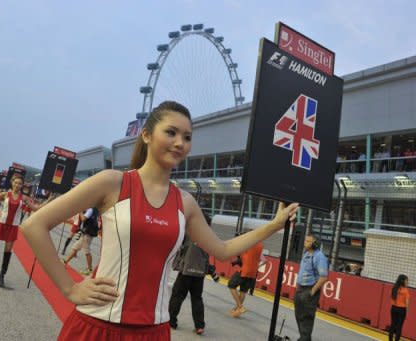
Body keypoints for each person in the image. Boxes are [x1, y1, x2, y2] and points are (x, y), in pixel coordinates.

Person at [20, 101, 299, 340]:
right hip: (99, 325)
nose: (180, 143)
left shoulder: (185, 203)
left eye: (187, 137)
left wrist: (274, 225)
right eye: (171, 132)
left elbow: (223, 250)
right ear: (146, 135)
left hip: (154, 330)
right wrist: (69, 288)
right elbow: (34, 226)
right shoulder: (112, 183)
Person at [0, 175, 43, 288]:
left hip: (13, 226)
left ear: (22, 186)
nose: (17, 185)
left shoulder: (24, 198)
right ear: (12, 183)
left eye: (20, 184)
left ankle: (2, 276)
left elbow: (35, 208)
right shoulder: (5, 194)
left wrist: (50, 201)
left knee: (8, 252)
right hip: (0, 223)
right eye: (16, 183)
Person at [168, 212, 212, 335]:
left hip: (186, 271)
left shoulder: (189, 232)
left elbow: (178, 245)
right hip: (200, 273)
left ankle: (171, 321)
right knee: (197, 299)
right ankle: (199, 326)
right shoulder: (209, 236)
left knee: (177, 296)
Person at [294, 234, 328, 341]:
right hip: (300, 290)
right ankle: (304, 338)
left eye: (308, 241)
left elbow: (323, 277)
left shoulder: (319, 256)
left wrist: (312, 292)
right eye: (305, 240)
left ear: (315, 244)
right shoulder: (306, 254)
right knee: (299, 316)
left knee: (306, 319)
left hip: (309, 290)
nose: (305, 243)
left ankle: (304, 339)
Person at [227, 241, 264, 318]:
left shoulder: (247, 244)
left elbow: (237, 252)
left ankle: (240, 307)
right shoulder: (260, 246)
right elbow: (265, 260)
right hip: (253, 273)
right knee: (243, 291)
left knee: (231, 285)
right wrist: (257, 266)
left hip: (244, 270)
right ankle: (237, 311)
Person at [62, 208, 99, 275]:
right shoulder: (93, 209)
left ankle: (89, 269)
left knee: (86, 251)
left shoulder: (90, 209)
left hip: (87, 234)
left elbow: (83, 219)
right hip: (86, 233)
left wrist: (80, 211)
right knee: (75, 247)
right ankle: (65, 262)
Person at [389, 274, 410, 341]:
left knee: (392, 325)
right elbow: (407, 303)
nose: (407, 282)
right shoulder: (405, 290)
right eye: (406, 280)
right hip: (401, 310)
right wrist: (407, 311)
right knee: (399, 327)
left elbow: (391, 298)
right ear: (402, 281)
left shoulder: (394, 288)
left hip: (393, 308)